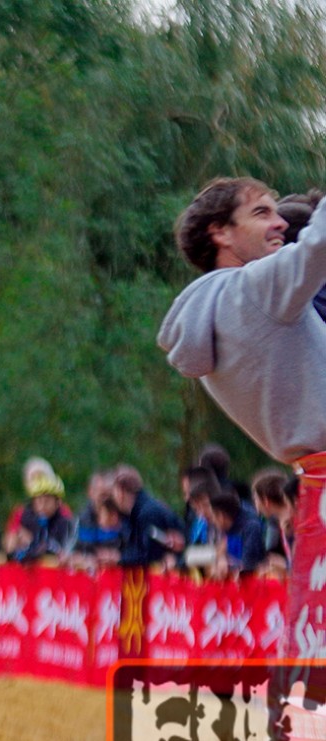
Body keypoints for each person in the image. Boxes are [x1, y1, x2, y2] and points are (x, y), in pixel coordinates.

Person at [158, 179, 326, 651]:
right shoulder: (253, 292)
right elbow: (318, 243)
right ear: (221, 233)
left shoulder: (214, 316)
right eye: (262, 213)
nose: (280, 224)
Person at [111, 465, 184, 568]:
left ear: (120, 492)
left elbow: (149, 555)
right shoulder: (136, 514)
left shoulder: (148, 514)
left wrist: (117, 558)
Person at [6, 468, 75, 563]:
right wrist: (16, 542)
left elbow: (66, 549)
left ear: (58, 502)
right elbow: (9, 549)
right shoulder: (25, 517)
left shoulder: (64, 522)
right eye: (38, 501)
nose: (42, 506)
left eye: (47, 501)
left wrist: (34, 542)